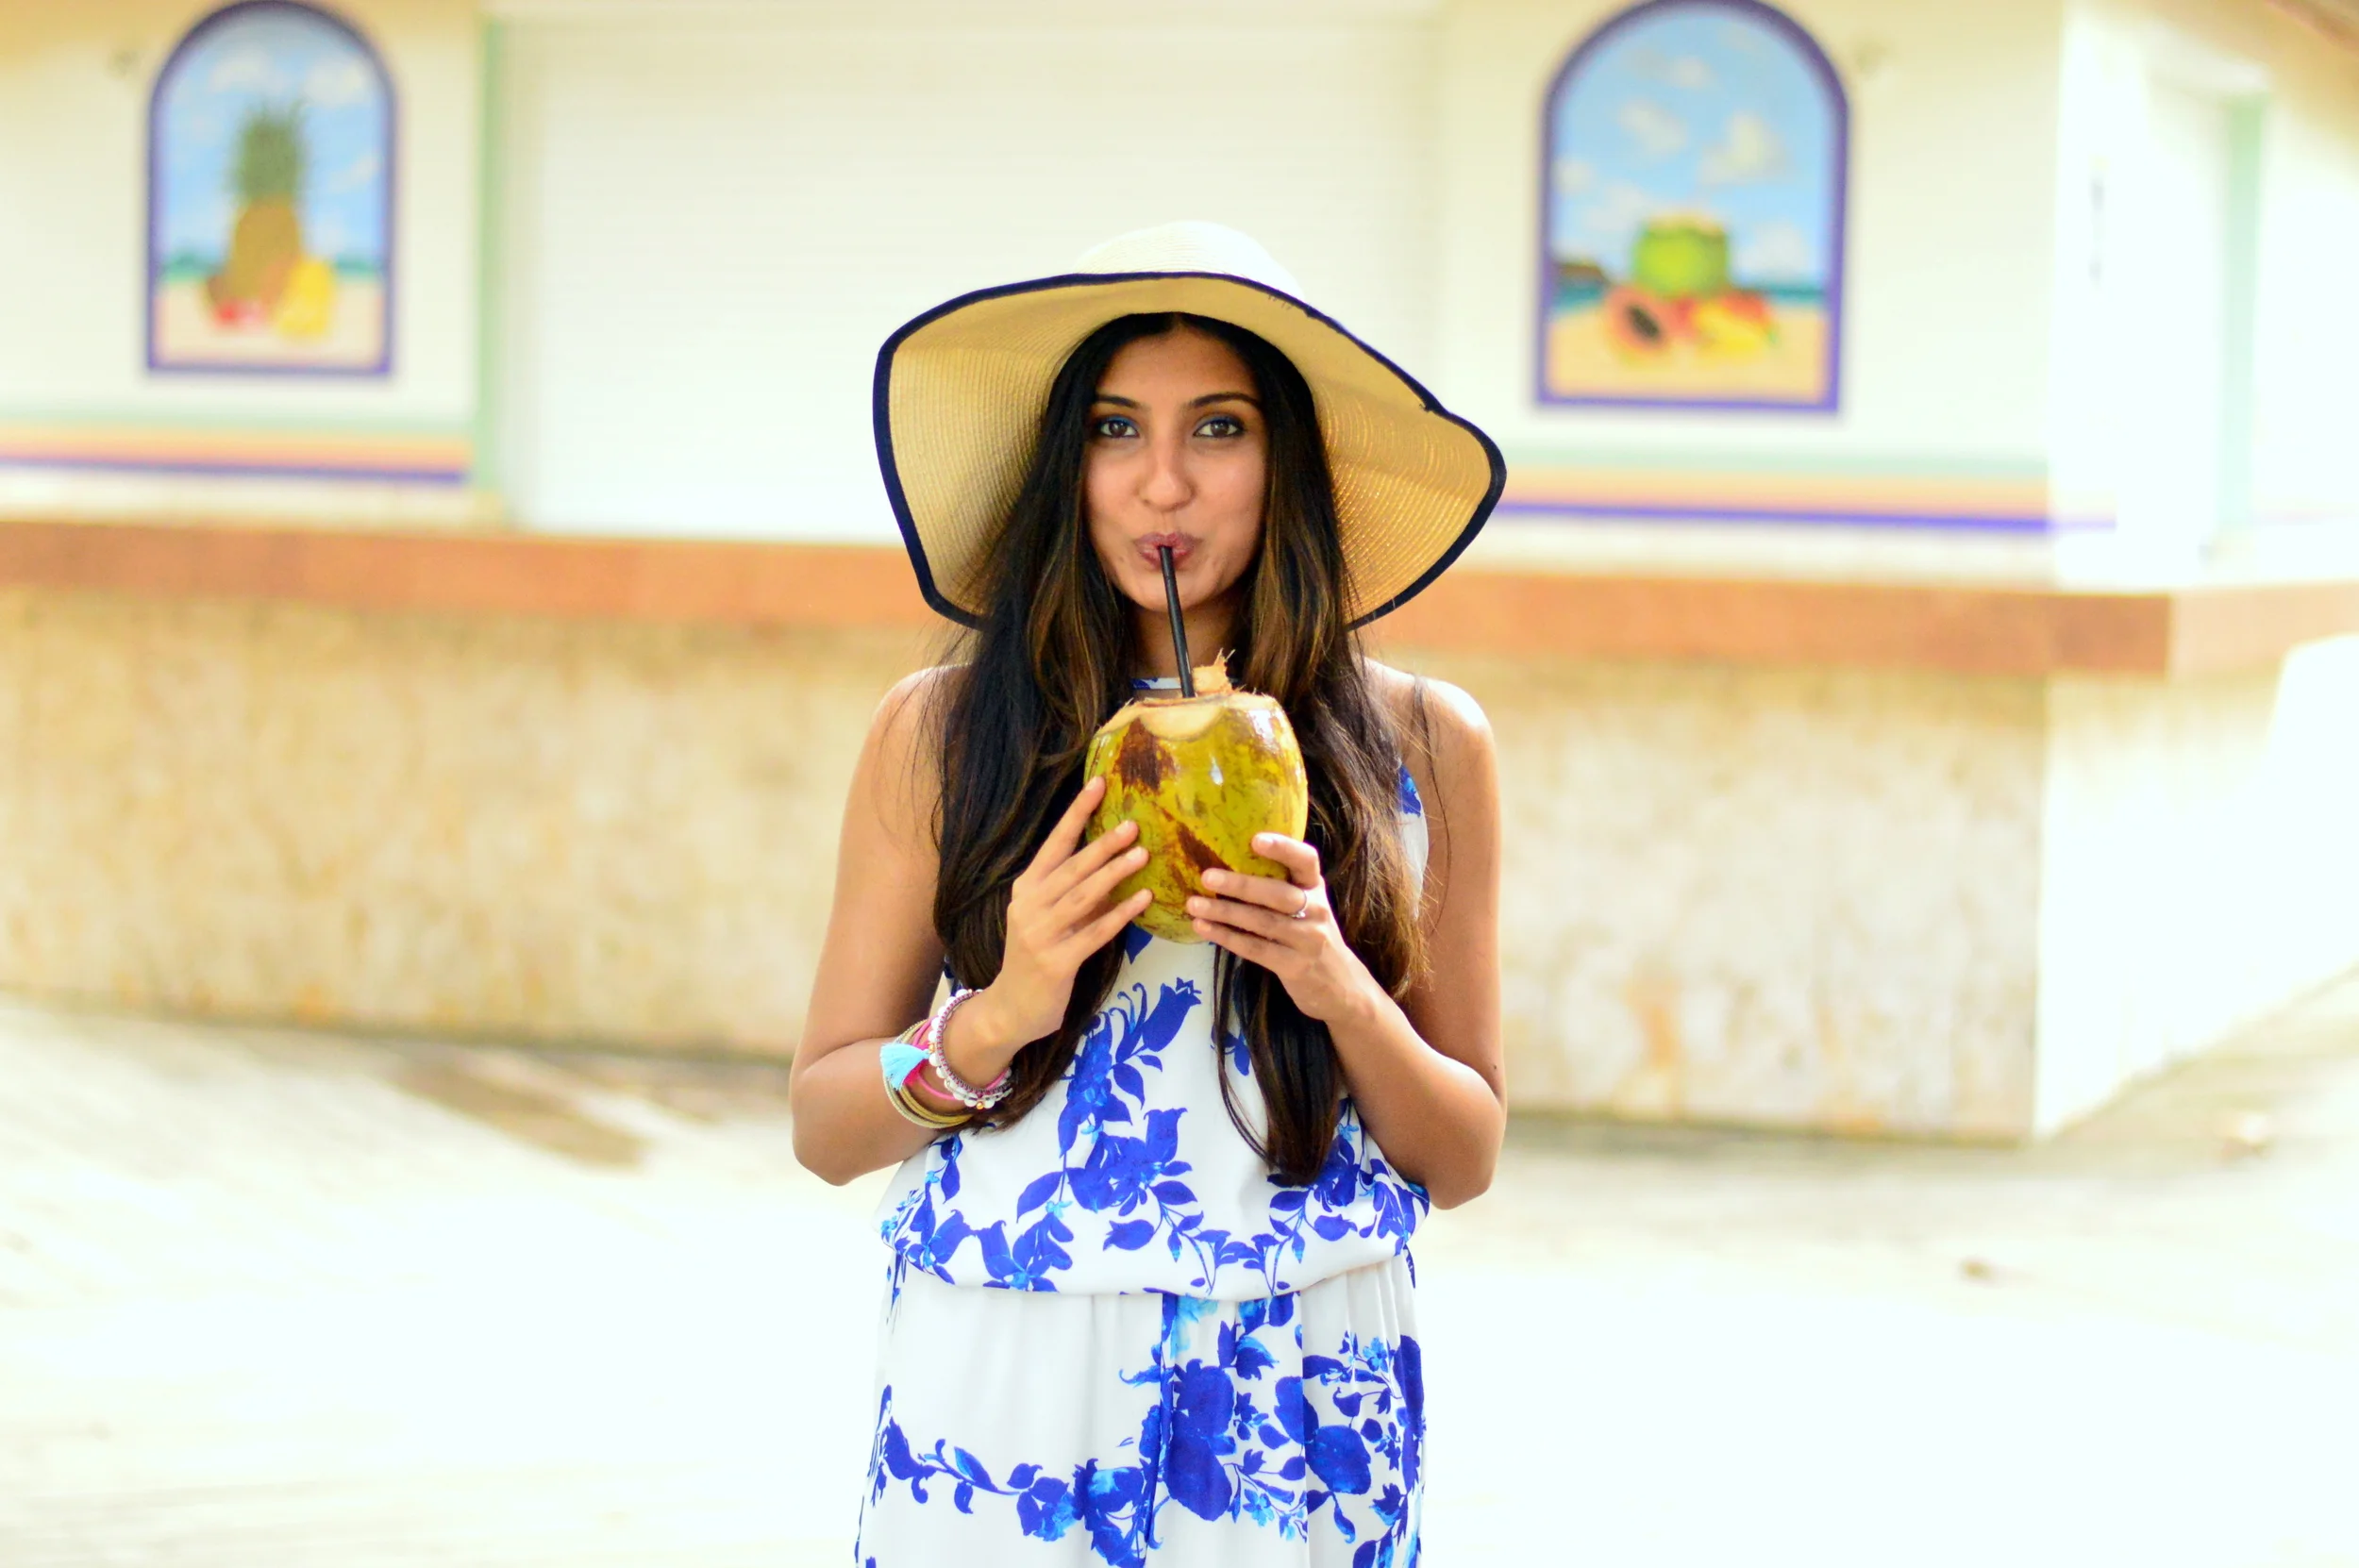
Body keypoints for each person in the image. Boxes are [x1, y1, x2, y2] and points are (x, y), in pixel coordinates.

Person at [792, 222, 1506, 1567]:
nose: (1162, 484)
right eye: (1118, 431)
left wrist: (1334, 980)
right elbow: (825, 1125)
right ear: (1069, 469)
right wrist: (999, 1014)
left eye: (1219, 430)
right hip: (1008, 1363)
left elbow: (1462, 1156)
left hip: (1305, 1370)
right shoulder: (947, 731)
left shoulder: (1419, 744)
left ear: (1284, 463)